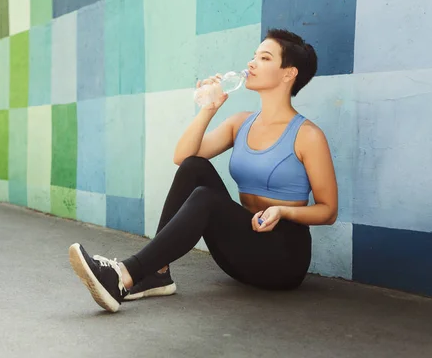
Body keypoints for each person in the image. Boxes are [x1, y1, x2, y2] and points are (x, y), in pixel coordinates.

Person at [68, 29, 338, 313]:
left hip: (283, 261)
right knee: (194, 167)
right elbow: (181, 157)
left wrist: (284, 212)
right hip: (243, 251)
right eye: (253, 56)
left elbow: (328, 210)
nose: (251, 64)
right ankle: (156, 273)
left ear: (288, 74)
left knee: (207, 198)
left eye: (264, 58)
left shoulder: (307, 135)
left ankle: (124, 275)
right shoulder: (240, 123)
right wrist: (209, 109)